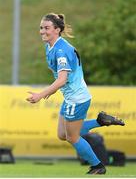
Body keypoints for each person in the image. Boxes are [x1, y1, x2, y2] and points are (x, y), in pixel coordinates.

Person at [26, 13, 125, 175]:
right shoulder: (50, 46)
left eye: (46, 28)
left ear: (57, 30)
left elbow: (62, 79)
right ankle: (101, 121)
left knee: (73, 137)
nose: (42, 31)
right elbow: (62, 77)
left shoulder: (61, 50)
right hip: (71, 97)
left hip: (77, 99)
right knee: (62, 134)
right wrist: (54, 89)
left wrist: (41, 94)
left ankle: (98, 165)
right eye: (41, 28)